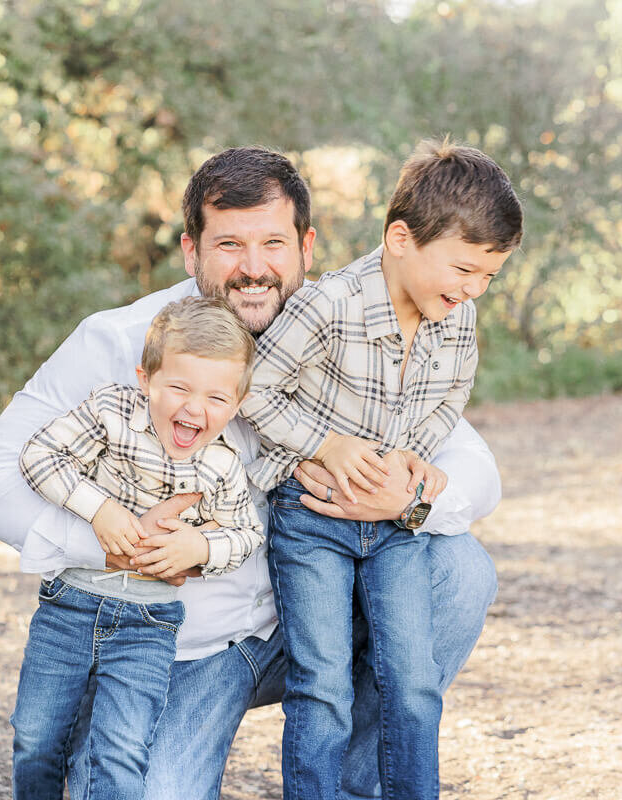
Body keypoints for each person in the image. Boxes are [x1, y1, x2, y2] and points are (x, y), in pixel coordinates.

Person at [0, 145, 503, 800]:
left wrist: (402, 500)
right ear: (191, 251)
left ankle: (362, 784)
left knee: (458, 569)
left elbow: (473, 466)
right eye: (229, 245)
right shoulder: (119, 342)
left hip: (307, 614)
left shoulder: (342, 322)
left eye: (273, 242)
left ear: (306, 246)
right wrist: (124, 543)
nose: (254, 269)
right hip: (175, 644)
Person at [238, 140, 523, 799]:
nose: (474, 288)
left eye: (489, 276)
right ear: (401, 238)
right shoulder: (327, 305)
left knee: (413, 679)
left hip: (394, 526)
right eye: (463, 268)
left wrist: (412, 462)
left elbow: (452, 396)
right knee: (324, 682)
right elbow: (252, 391)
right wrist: (325, 444)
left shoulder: (457, 319)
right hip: (310, 521)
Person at [12, 296, 263, 799]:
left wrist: (199, 546)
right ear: (145, 380)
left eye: (218, 398)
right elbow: (39, 456)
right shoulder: (111, 411)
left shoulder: (222, 465)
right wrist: (99, 510)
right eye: (179, 387)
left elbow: (246, 535)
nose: (195, 408)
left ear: (236, 404)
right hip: (70, 604)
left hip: (148, 623)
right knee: (35, 737)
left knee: (121, 747)